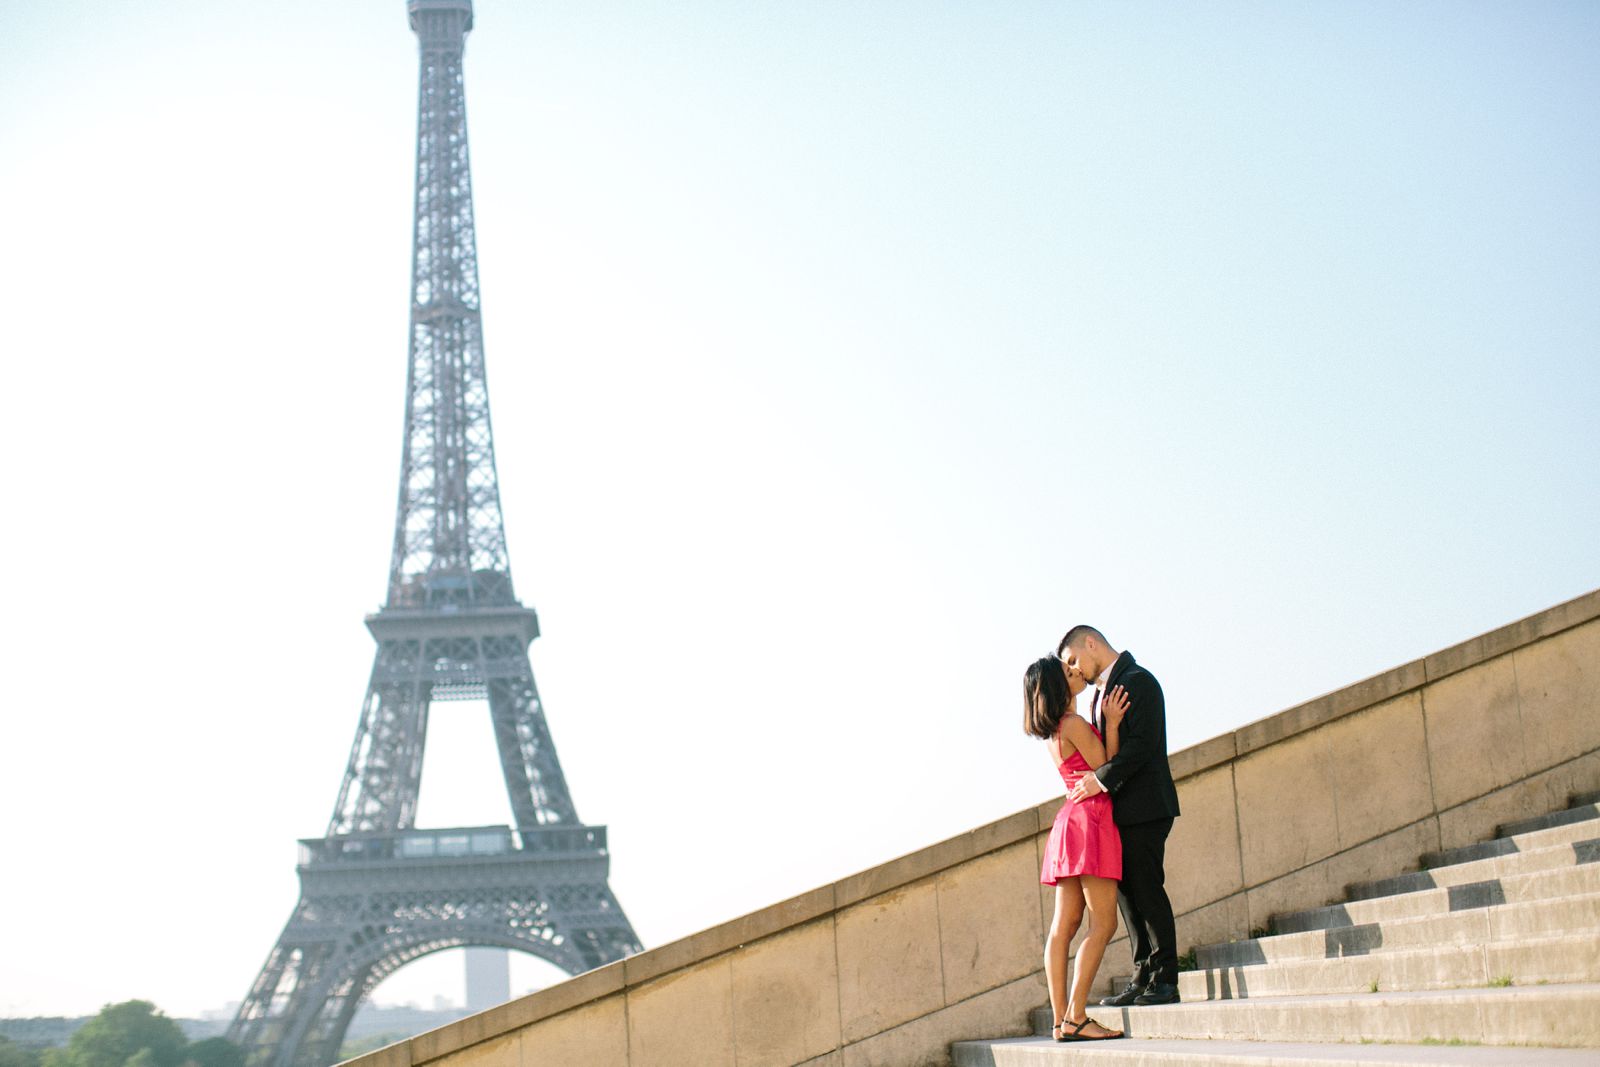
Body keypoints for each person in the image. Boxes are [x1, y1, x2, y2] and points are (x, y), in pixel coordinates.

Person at [1060, 626, 1183, 1007]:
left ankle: (1165, 980)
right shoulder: (1100, 696)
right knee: (1129, 897)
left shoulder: (1138, 680)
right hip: (1120, 814)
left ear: (1092, 643)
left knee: (1147, 890)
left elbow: (1143, 746)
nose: (1075, 671)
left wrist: (1100, 780)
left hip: (1147, 808)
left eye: (1074, 660)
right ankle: (1142, 975)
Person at [1024, 654, 1128, 1042]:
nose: (1077, 673)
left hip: (1069, 822)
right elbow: (1110, 768)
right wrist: (1113, 724)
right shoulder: (1074, 724)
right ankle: (1077, 1016)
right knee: (1104, 923)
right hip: (1091, 821)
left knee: (1062, 928)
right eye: (1068, 673)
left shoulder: (1055, 732)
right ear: (1057, 687)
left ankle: (1059, 1020)